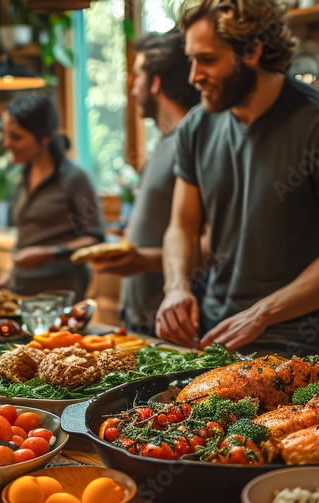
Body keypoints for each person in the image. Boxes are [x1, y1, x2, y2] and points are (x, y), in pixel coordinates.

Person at [156, 0, 319, 357]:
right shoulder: (196, 127)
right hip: (215, 339)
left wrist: (262, 314)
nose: (194, 76)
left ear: (252, 50)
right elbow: (181, 225)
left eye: (207, 60)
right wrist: (176, 287)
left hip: (295, 345)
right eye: (191, 60)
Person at [91, 31, 201, 336]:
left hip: (170, 319)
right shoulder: (163, 143)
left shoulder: (190, 141)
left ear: (155, 82)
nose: (132, 86)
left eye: (137, 75)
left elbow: (210, 243)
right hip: (141, 315)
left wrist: (139, 260)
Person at [2, 95, 104, 301]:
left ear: (44, 137)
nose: (7, 143)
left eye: (16, 137)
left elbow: (94, 238)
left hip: (61, 293)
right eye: (5, 135)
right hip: (21, 290)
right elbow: (27, 238)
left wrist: (51, 252)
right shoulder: (22, 175)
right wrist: (7, 276)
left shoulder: (75, 178)